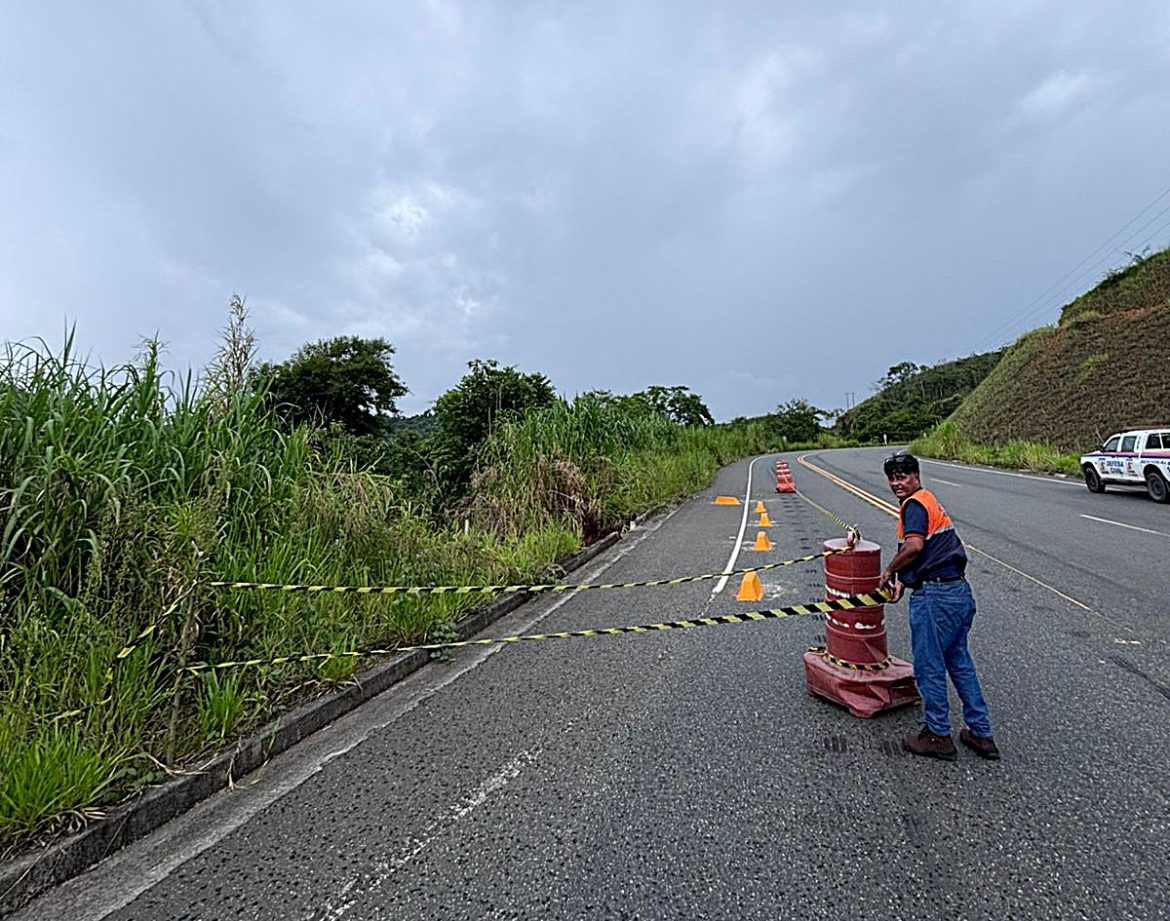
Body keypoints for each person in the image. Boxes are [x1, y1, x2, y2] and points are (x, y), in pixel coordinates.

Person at [876, 452, 1000, 762]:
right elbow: (930, 551)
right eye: (892, 478)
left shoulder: (914, 505)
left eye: (903, 476)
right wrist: (906, 581)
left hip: (935, 598)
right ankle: (981, 734)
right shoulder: (930, 501)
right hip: (958, 591)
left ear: (916, 476)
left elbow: (915, 546)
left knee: (929, 667)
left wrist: (890, 571)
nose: (897, 483)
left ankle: (937, 735)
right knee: (959, 662)